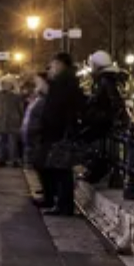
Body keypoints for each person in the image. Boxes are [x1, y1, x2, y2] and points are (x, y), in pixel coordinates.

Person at [40, 52, 86, 215]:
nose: (50, 69)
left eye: (52, 65)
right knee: (60, 169)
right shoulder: (67, 80)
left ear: (60, 64)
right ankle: (61, 204)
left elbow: (57, 109)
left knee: (61, 170)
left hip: (59, 133)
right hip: (60, 131)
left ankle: (63, 206)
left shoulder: (62, 82)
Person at [80, 50, 131, 182]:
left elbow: (114, 102)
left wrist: (99, 115)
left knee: (87, 142)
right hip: (106, 121)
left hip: (104, 122)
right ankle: (95, 170)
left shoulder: (105, 80)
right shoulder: (110, 78)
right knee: (96, 146)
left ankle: (96, 171)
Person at [22, 72, 50, 202]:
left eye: (38, 82)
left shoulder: (45, 99)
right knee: (38, 166)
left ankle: (48, 195)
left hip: (38, 138)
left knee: (42, 166)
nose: (36, 85)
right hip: (33, 138)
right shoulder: (38, 98)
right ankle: (45, 190)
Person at [0, 77, 25, 167]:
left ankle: (14, 160)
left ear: (12, 86)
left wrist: (21, 120)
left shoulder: (17, 96)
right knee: (0, 142)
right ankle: (1, 160)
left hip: (13, 122)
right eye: (4, 84)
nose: (6, 86)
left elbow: (20, 109)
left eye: (8, 84)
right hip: (0, 121)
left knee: (13, 142)